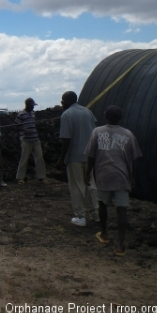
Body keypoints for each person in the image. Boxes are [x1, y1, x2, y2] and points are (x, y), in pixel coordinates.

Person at [85, 105, 142, 257]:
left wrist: (87, 173)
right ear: (120, 118)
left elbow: (91, 155)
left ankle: (104, 234)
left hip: (103, 175)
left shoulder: (97, 132)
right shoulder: (128, 135)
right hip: (122, 176)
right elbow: (135, 158)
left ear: (106, 116)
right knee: (121, 209)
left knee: (102, 204)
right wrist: (132, 177)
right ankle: (119, 246)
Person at [56, 91, 99, 227]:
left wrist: (62, 158)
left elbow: (66, 139)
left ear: (70, 100)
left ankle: (80, 216)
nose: (61, 102)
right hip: (90, 156)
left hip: (75, 156)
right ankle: (96, 214)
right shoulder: (88, 112)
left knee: (77, 186)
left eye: (63, 100)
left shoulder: (67, 115)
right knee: (90, 185)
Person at [14, 97, 48, 184]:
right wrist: (24, 129)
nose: (33, 107)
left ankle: (41, 177)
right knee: (24, 158)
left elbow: (34, 123)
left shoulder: (33, 113)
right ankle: (20, 178)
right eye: (32, 105)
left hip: (35, 139)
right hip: (26, 140)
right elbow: (16, 125)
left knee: (39, 158)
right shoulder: (21, 114)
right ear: (27, 105)